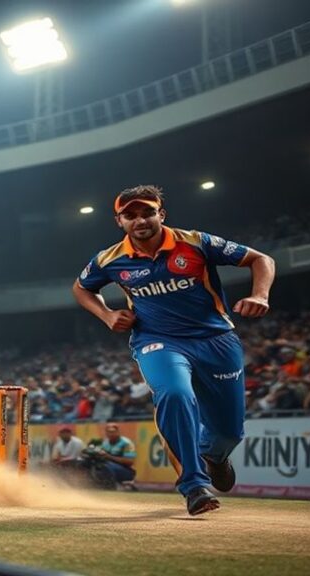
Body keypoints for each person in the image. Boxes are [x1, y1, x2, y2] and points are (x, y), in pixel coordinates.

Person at [72, 185, 275, 515]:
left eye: (147, 212)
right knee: (175, 394)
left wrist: (260, 295)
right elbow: (81, 288)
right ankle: (194, 486)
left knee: (228, 432)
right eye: (130, 215)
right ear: (119, 221)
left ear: (160, 214)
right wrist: (107, 314)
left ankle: (215, 455)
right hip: (158, 341)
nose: (140, 220)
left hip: (216, 340)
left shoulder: (195, 242)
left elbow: (260, 259)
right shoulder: (109, 260)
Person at [94, 423, 136, 487]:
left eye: (113, 432)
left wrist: (109, 456)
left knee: (105, 466)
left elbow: (129, 461)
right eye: (109, 432)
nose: (111, 434)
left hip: (126, 471)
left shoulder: (126, 443)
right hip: (109, 467)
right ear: (106, 433)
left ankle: (111, 485)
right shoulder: (105, 442)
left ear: (118, 432)